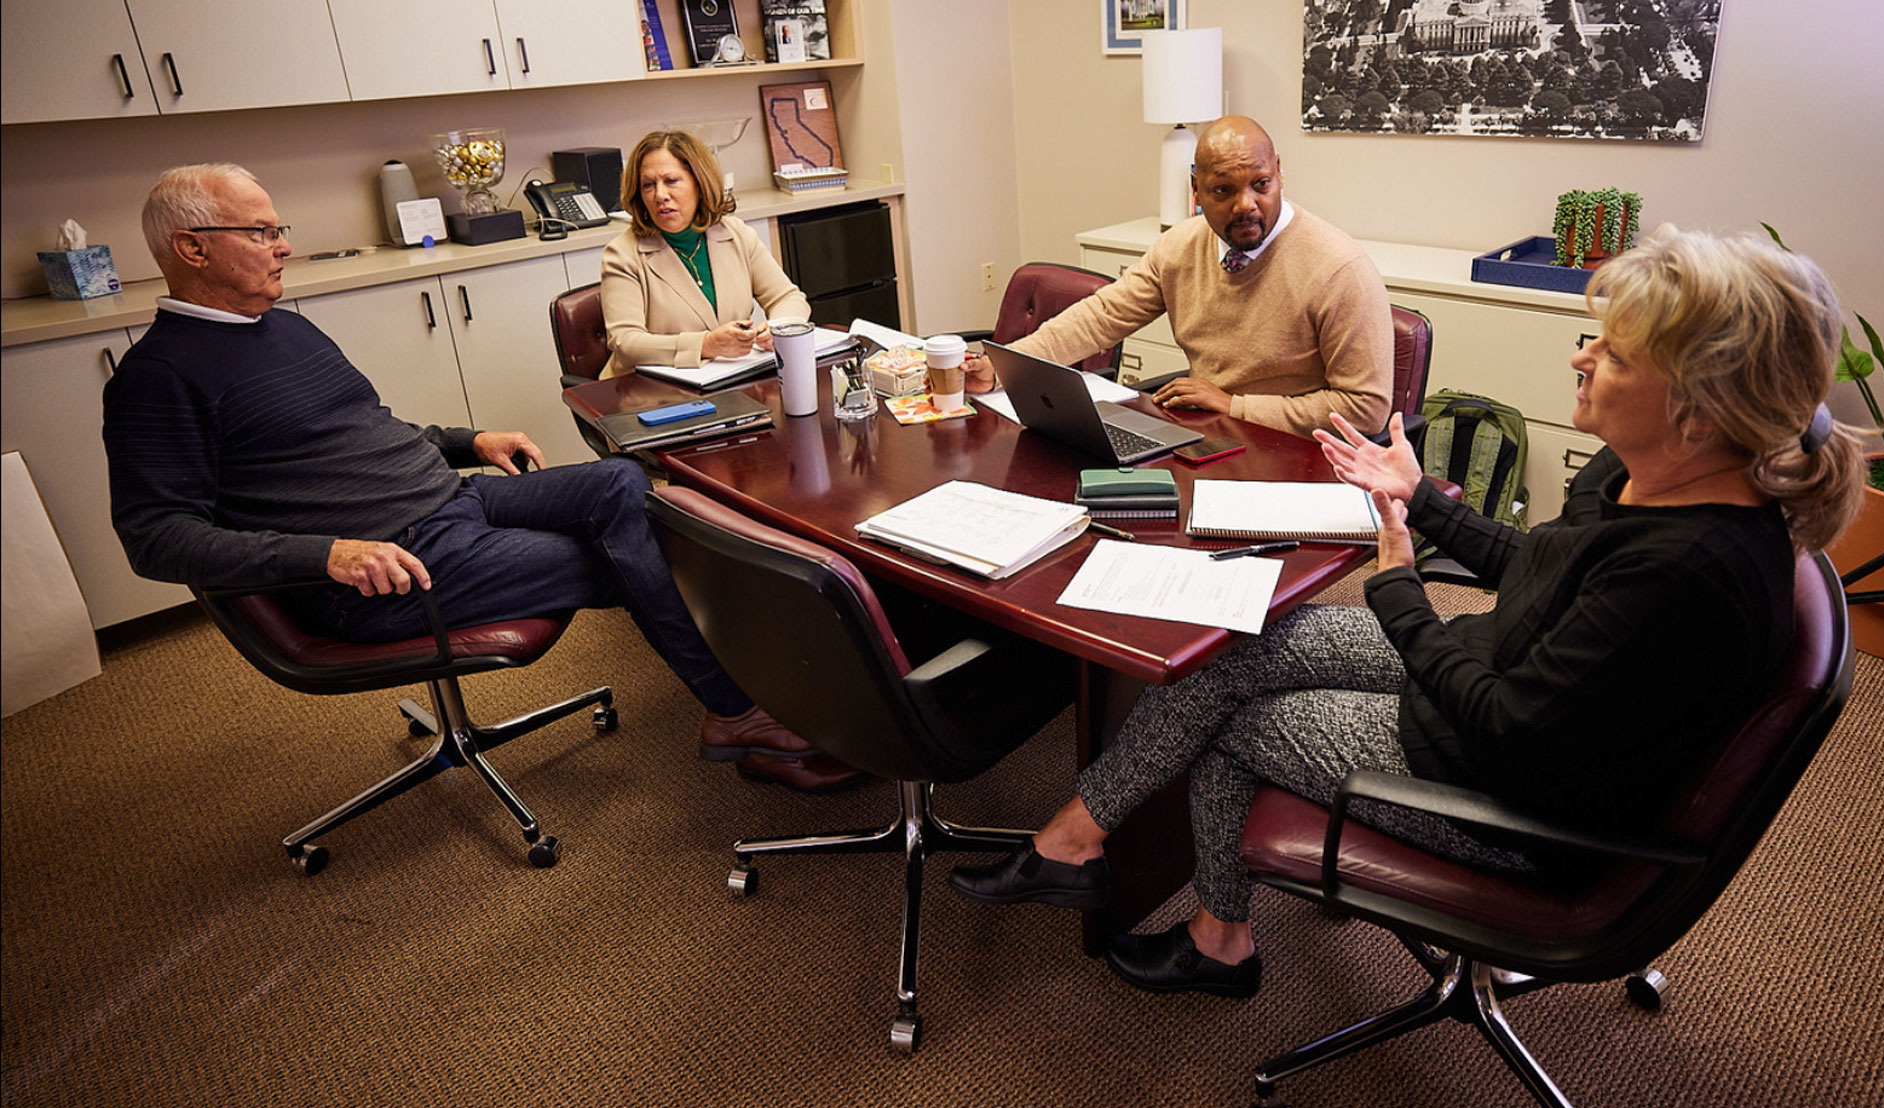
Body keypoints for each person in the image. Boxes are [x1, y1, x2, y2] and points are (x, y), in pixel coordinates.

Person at [948, 226, 1866, 998]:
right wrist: (1422, 501)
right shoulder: (1645, 474)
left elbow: (1508, 728)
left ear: (1699, 413)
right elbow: (1542, 572)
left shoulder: (1691, 572)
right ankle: (1076, 837)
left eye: (1615, 353)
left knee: (1240, 726)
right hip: (1497, 680)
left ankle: (1221, 941)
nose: (1582, 356)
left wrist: (1397, 585)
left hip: (1506, 792)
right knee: (1241, 635)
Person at [103, 163, 863, 794]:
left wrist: (467, 440)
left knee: (628, 487)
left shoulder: (284, 326)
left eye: (279, 229)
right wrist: (327, 555)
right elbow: (156, 538)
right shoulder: (157, 378)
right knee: (639, 555)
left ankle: (765, 686)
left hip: (451, 499)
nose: (283, 247)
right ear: (192, 249)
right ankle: (735, 707)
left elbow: (367, 432)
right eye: (262, 232)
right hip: (383, 567)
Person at [960, 115, 1394, 437]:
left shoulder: (1340, 270)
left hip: (1297, 452)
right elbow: (1099, 318)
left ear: (1280, 172)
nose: (1246, 204)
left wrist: (1235, 406)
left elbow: (1365, 408)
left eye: (1260, 184)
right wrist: (1000, 367)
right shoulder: (1181, 247)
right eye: (1224, 190)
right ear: (1196, 190)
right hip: (1207, 434)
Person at [598, 130, 810, 377]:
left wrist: (778, 328)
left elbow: (788, 297)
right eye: (648, 185)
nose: (660, 195)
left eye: (671, 181)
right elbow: (626, 343)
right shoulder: (622, 254)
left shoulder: (736, 234)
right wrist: (706, 345)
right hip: (648, 391)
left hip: (728, 380)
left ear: (700, 184)